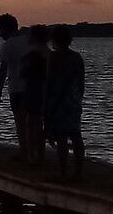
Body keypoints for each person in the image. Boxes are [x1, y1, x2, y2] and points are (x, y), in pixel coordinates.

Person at [43, 25, 86, 175]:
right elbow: (81, 83)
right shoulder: (77, 57)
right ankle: (78, 172)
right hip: (73, 101)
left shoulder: (54, 57)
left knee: (61, 137)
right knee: (76, 135)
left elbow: (49, 81)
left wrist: (47, 105)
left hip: (57, 101)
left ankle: (63, 173)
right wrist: (78, 99)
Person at [15, 25, 50, 161]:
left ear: (35, 37)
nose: (27, 37)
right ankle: (40, 154)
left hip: (32, 89)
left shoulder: (31, 54)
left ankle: (31, 155)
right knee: (39, 123)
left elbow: (22, 74)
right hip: (45, 90)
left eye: (29, 35)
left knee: (30, 123)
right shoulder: (49, 53)